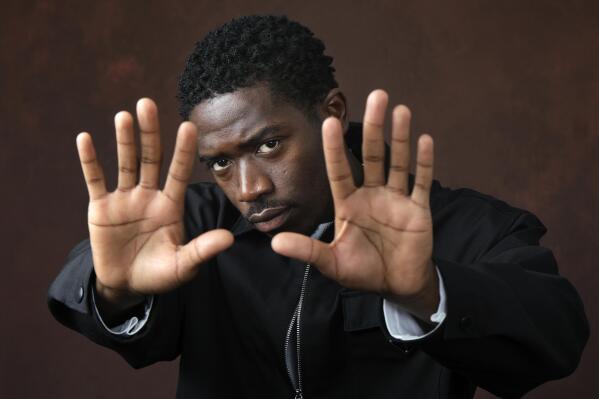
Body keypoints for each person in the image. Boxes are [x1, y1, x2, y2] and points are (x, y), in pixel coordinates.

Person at [48, 15, 589, 399]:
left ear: (330, 111)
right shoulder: (191, 228)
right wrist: (113, 290)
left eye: (267, 145)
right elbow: (94, 286)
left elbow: (557, 339)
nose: (249, 187)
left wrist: (426, 290)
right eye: (218, 163)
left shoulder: (459, 225)